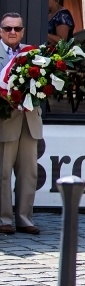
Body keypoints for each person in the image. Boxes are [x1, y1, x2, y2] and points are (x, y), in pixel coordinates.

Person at [0, 13, 42, 235]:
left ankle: (25, 218)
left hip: (30, 120)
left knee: (29, 173)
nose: (12, 32)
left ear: (23, 31)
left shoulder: (34, 53)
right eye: (8, 29)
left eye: (17, 29)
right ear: (1, 31)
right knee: (3, 172)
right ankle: (3, 218)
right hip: (5, 121)